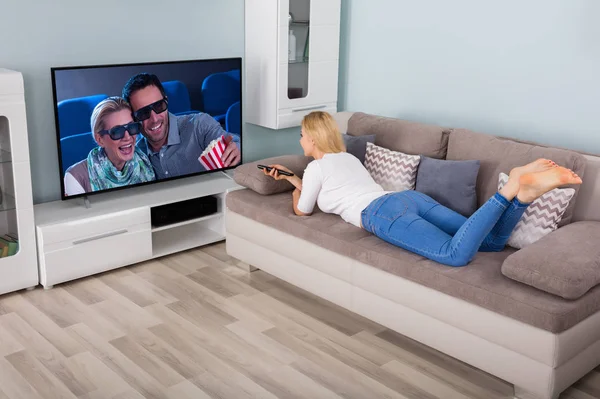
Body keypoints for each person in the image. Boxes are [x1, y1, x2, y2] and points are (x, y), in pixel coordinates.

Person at [262, 111, 583, 267]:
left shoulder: (316, 167)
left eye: (302, 135)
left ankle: (511, 187)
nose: (300, 141)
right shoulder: (345, 157)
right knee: (492, 243)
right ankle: (522, 197)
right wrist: (293, 178)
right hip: (407, 199)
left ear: (313, 138)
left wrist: (294, 188)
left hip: (381, 214)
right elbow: (331, 187)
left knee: (454, 255)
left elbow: (302, 210)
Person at [122, 73, 241, 180]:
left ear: (166, 102)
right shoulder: (134, 153)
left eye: (159, 106)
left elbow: (233, 142)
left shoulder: (200, 125)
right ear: (133, 118)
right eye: (143, 113)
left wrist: (238, 148)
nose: (154, 119)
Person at [64, 96, 156, 196]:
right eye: (117, 131)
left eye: (131, 127)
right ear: (100, 139)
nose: (127, 137)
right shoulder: (76, 177)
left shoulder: (147, 158)